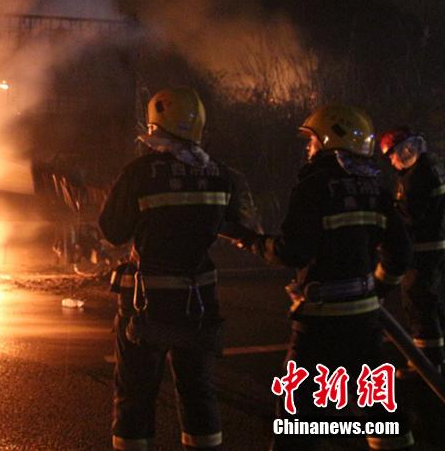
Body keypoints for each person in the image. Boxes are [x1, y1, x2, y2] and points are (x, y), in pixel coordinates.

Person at [99, 87, 259, 451]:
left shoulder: (139, 172)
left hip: (146, 305)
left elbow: (112, 231)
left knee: (135, 396)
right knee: (198, 393)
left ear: (156, 127)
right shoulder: (220, 174)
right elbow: (235, 225)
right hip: (198, 303)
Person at [247, 104, 414, 450]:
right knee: (381, 412)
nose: (308, 150)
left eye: (311, 142)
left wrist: (255, 243)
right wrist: (376, 291)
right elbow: (400, 254)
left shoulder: (313, 186)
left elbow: (293, 251)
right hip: (366, 325)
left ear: (328, 142)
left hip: (318, 328)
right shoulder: (377, 189)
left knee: (298, 421)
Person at [379, 126, 445, 376]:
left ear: (406, 149)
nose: (392, 162)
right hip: (434, 246)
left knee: (418, 302)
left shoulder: (417, 175)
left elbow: (409, 216)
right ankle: (436, 358)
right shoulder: (428, 166)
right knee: (430, 303)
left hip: (423, 250)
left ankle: (426, 364)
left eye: (392, 155)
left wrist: (387, 220)